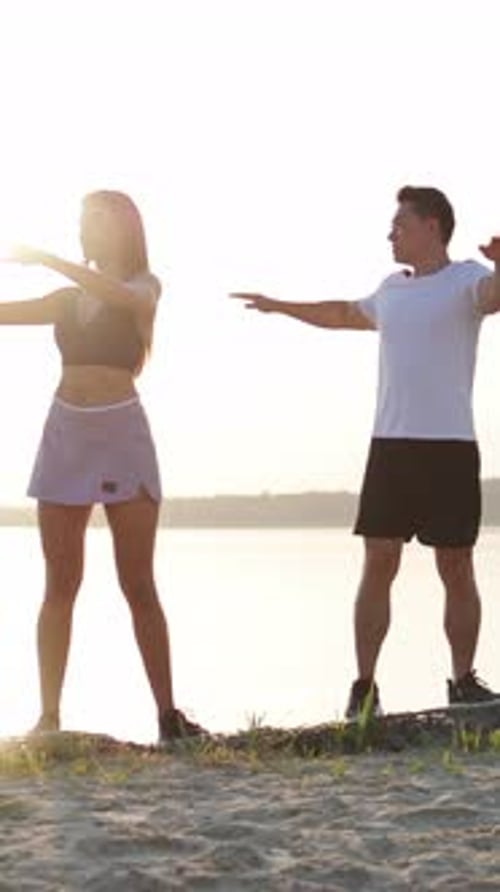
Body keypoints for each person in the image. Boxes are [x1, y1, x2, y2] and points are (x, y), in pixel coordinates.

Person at [231, 185, 500, 718]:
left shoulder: (467, 277)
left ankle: (463, 680)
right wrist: (280, 306)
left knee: (456, 564)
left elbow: (493, 298)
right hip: (391, 447)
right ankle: (364, 687)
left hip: (448, 446)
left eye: (400, 223)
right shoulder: (390, 289)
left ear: (431, 226)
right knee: (378, 562)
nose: (390, 233)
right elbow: (340, 314)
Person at [3, 190, 203, 742]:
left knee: (138, 582)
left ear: (125, 228)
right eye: (83, 219)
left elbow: (117, 293)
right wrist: (50, 270)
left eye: (99, 217)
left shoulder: (144, 287)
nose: (88, 226)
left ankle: (168, 716)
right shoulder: (65, 298)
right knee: (59, 584)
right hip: (65, 433)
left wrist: (45, 257)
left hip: (121, 435)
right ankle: (48, 718)